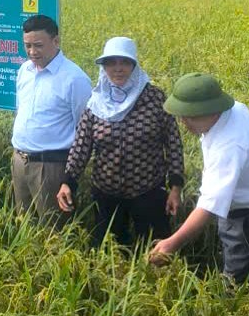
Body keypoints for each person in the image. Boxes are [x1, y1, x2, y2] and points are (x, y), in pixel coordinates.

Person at [149, 73, 249, 284]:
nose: (183, 123)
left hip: (248, 221)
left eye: (190, 116)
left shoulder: (228, 148)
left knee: (239, 287)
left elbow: (207, 208)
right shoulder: (236, 109)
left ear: (211, 111)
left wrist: (171, 244)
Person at [56, 37, 184, 248]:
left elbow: (173, 143)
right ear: (104, 67)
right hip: (106, 194)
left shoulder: (154, 98)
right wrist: (68, 181)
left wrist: (176, 187)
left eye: (124, 62)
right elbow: (81, 146)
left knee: (157, 250)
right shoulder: (96, 101)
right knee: (109, 251)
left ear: (134, 65)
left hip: (148, 191)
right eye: (111, 63)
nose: (118, 69)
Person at [11, 14, 92, 225]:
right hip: (20, 160)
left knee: (53, 230)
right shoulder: (24, 71)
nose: (32, 52)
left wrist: (71, 176)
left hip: (52, 167)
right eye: (27, 45)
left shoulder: (74, 79)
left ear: (56, 41)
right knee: (24, 224)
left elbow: (84, 129)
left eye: (38, 45)